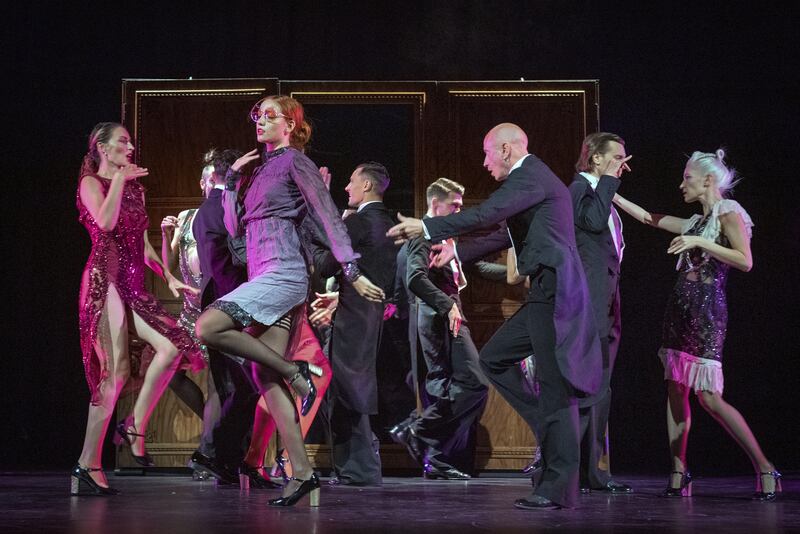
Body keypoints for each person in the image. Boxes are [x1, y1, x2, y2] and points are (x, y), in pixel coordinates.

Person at [387, 123, 602, 510]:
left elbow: (488, 214)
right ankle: (545, 425)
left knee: (556, 390)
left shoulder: (531, 175)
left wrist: (427, 225)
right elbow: (503, 233)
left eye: (487, 153)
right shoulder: (533, 182)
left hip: (556, 290)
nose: (484, 162)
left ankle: (558, 488)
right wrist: (457, 253)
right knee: (494, 358)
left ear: (506, 149)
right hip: (546, 290)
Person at [194, 96, 384, 507]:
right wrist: (229, 185)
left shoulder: (295, 162)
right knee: (265, 378)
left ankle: (296, 374)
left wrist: (350, 269)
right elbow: (234, 234)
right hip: (264, 274)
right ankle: (303, 474)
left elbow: (328, 215)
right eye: (256, 116)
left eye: (269, 116)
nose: (259, 121)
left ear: (291, 125)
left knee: (207, 327)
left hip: (284, 275)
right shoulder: (257, 171)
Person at [613, 149, 781, 501]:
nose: (681, 184)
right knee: (675, 388)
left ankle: (766, 467)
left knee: (709, 397)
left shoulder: (729, 213)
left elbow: (745, 260)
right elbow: (648, 218)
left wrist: (700, 241)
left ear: (707, 180)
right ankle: (678, 470)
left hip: (707, 314)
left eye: (687, 178)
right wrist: (608, 189)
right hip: (680, 310)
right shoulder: (696, 221)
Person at [73, 122, 203, 496]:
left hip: (130, 284)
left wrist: (168, 276)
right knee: (114, 374)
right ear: (101, 147)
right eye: (122, 142)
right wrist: (117, 181)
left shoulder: (135, 189)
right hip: (103, 279)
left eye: (131, 142)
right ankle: (87, 463)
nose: (130, 147)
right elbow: (107, 223)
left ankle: (134, 425)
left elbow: (141, 242)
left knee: (171, 346)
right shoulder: (91, 184)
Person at [389, 177, 489, 479]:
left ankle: (433, 454)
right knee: (467, 382)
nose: (459, 212)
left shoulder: (446, 236)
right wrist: (447, 306)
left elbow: (469, 267)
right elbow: (414, 278)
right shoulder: (423, 235)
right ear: (435, 204)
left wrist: (519, 274)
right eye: (455, 206)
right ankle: (420, 435)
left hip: (446, 314)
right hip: (436, 315)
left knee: (456, 386)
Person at [309, 162, 399, 487]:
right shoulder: (385, 223)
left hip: (353, 322)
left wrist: (314, 231)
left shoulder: (360, 222)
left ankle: (358, 470)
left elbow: (328, 266)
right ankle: (355, 468)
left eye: (350, 182)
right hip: (368, 317)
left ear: (365, 187)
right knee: (350, 390)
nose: (347, 188)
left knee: (348, 392)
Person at [568, 132, 633, 494]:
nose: (623, 163)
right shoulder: (580, 189)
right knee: (588, 386)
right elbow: (592, 223)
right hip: (590, 303)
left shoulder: (603, 192)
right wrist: (609, 181)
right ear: (594, 159)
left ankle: (593, 471)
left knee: (601, 387)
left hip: (607, 299)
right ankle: (574, 470)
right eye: (616, 156)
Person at [160, 159, 217, 479]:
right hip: (188, 311)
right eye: (208, 180)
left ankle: (209, 451)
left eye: (218, 180)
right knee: (170, 371)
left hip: (216, 308)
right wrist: (167, 233)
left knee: (216, 385)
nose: (213, 185)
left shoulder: (225, 215)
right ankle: (215, 436)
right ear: (201, 184)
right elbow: (168, 264)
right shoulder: (187, 217)